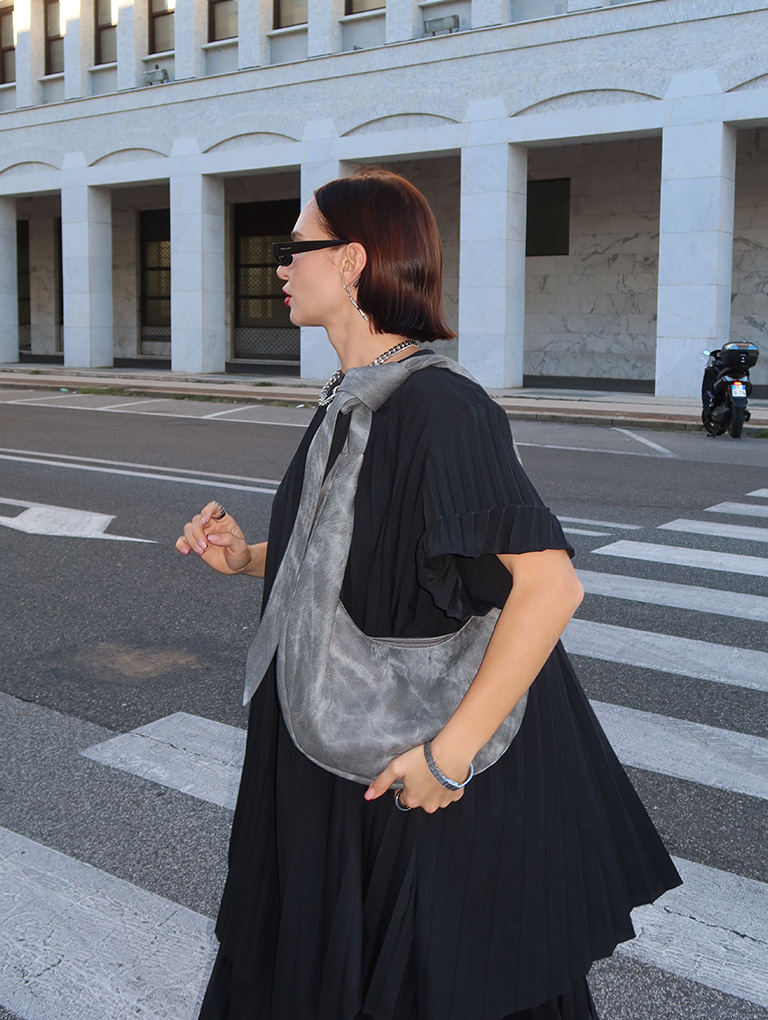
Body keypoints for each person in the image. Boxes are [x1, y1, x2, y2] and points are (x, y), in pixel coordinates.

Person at [177, 167, 681, 1020]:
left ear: (352, 263)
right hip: (327, 747)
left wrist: (449, 763)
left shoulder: (446, 409)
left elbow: (551, 588)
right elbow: (361, 549)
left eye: (295, 247)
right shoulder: (351, 399)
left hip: (403, 771)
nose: (281, 266)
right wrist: (248, 558)